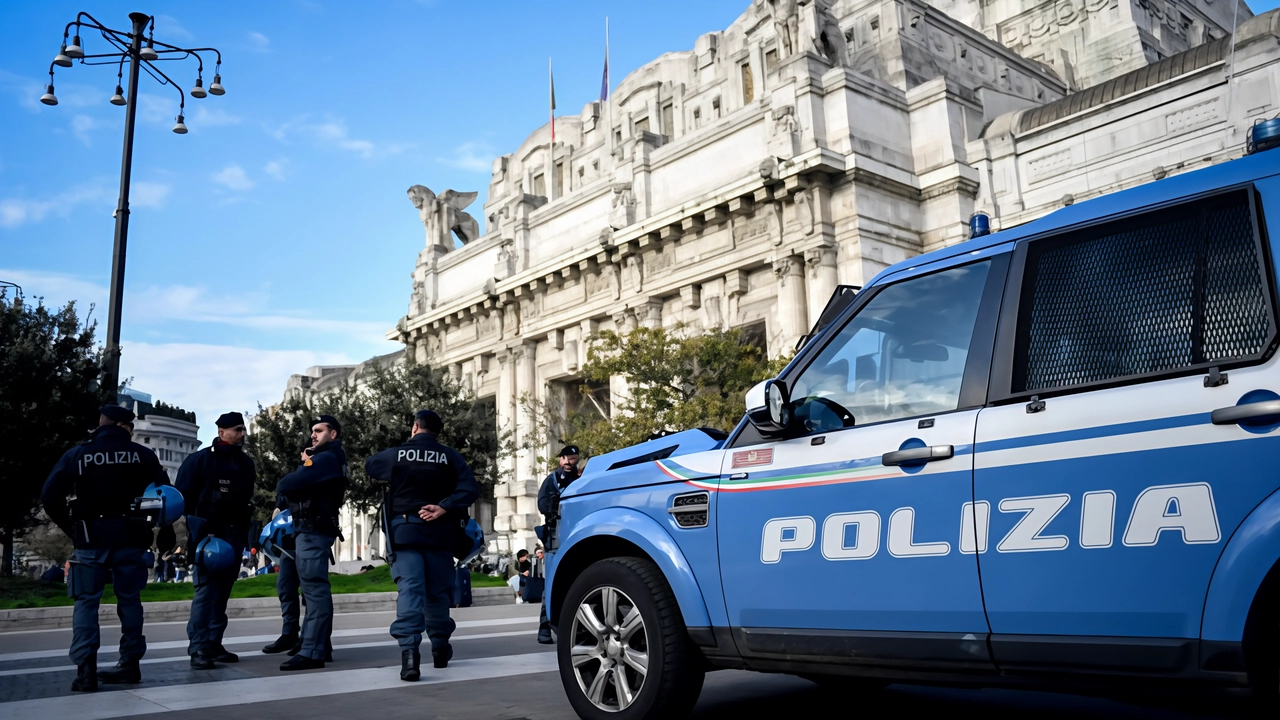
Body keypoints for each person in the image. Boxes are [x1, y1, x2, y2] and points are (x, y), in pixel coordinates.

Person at [40, 405, 170, 692]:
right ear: (125, 427)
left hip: (90, 539)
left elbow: (49, 495)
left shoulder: (78, 454)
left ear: (102, 425)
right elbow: (166, 497)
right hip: (132, 539)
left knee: (86, 603)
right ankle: (130, 665)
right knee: (130, 601)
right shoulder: (144, 455)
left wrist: (71, 528)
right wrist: (163, 531)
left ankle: (86, 671)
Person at [365, 409, 480, 681]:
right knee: (438, 592)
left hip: (405, 531)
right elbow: (471, 489)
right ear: (438, 432)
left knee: (411, 589)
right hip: (440, 533)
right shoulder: (451, 456)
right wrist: (443, 507)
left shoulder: (398, 454)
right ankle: (440, 648)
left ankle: (409, 656)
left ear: (415, 427)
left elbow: (371, 466)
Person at [177, 412, 256, 670]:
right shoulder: (200, 460)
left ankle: (213, 642)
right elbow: (182, 498)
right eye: (237, 429)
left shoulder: (246, 464)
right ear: (222, 432)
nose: (242, 434)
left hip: (234, 535)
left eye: (243, 429)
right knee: (206, 592)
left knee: (222, 593)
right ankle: (198, 647)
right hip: (207, 536)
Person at [275, 415, 348, 671]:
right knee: (313, 590)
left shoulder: (325, 459)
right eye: (312, 431)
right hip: (314, 529)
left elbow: (286, 484)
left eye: (319, 431)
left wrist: (305, 463)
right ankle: (318, 645)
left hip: (312, 530)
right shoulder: (330, 459)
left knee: (314, 591)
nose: (313, 435)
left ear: (333, 434)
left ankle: (312, 651)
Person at [535, 445, 581, 644]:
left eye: (573, 459)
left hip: (577, 533)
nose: (569, 462)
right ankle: (545, 626)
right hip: (557, 535)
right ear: (560, 460)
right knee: (552, 582)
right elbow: (543, 504)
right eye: (566, 459)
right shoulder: (553, 479)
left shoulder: (581, 480)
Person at [261, 495, 301, 655]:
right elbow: (279, 505)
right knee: (285, 586)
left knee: (311, 591)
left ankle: (313, 638)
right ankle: (290, 634)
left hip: (310, 532)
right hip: (288, 537)